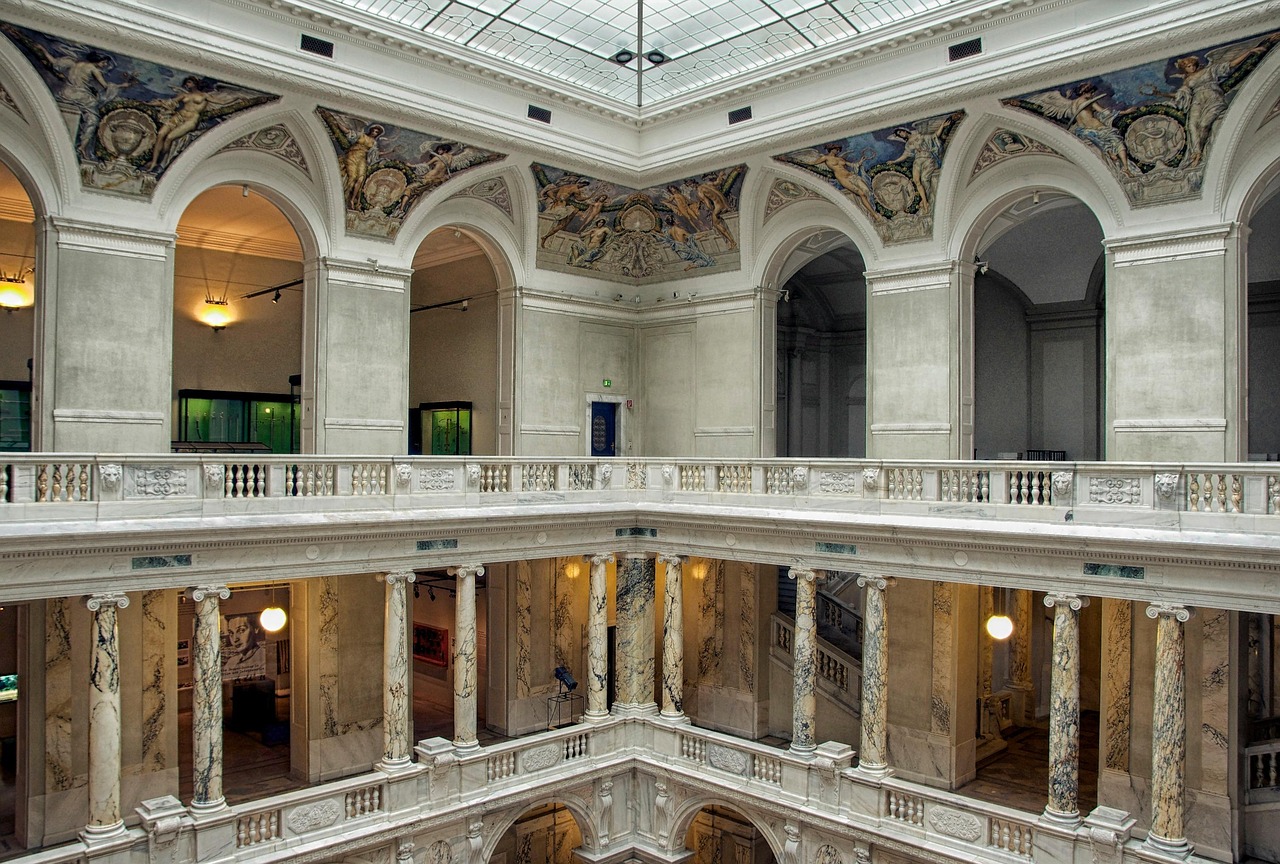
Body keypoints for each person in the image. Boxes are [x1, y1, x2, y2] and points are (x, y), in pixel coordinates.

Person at [222, 613, 267, 681]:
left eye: (241, 630)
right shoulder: (231, 662)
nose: (235, 639)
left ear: (256, 629)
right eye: (231, 633)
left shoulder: (265, 658)